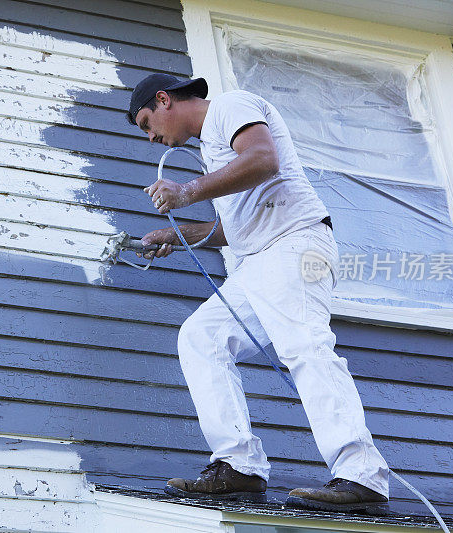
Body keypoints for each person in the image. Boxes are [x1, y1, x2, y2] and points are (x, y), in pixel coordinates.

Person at [126, 73, 390, 514]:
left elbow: (264, 159)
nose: (151, 137)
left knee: (304, 345)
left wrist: (187, 192)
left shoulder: (230, 107)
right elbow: (236, 228)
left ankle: (363, 475)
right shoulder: (213, 154)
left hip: (294, 242)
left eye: (147, 123)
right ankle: (239, 467)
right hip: (259, 260)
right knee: (200, 337)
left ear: (164, 99)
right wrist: (178, 236)